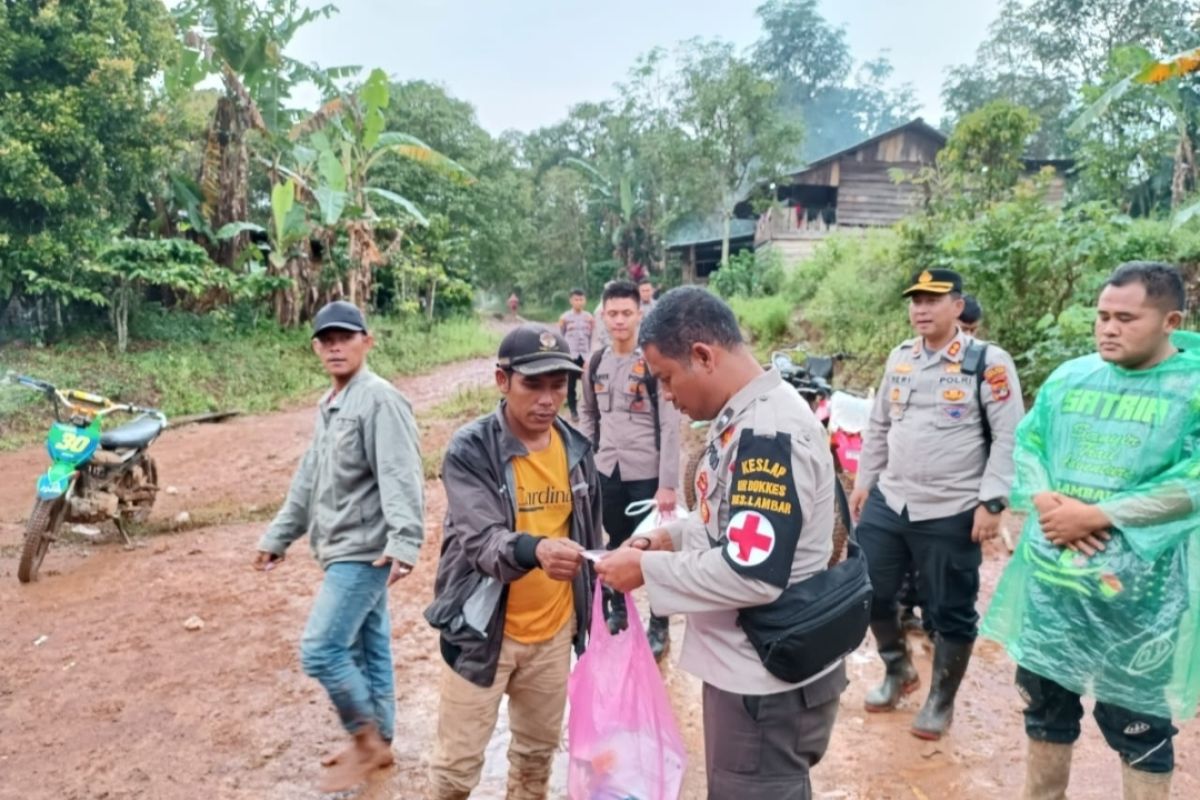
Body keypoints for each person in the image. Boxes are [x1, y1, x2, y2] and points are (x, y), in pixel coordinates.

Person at [596, 287, 846, 799]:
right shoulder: (745, 420)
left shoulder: (767, 436)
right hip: (753, 671)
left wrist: (647, 572)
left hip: (765, 687)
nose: (666, 394)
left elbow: (751, 570)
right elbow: (730, 525)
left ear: (704, 356)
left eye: (667, 378)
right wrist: (666, 539)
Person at [982, 262, 1200, 800]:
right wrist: (1042, 497)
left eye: (1126, 318)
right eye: (1102, 315)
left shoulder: (1191, 390)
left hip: (1140, 602)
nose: (1108, 328)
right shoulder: (1070, 377)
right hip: (1055, 589)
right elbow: (1031, 444)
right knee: (1045, 713)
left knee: (1140, 728)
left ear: (1170, 319)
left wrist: (1100, 515)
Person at [424, 324, 603, 800]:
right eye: (533, 384)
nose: (548, 399)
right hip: (483, 632)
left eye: (558, 386)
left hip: (552, 634)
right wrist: (537, 550)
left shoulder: (577, 450)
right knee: (455, 772)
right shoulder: (471, 449)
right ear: (502, 381)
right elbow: (482, 540)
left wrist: (604, 602)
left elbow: (591, 534)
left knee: (535, 759)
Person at [255, 301, 425, 793]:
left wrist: (405, 541)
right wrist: (279, 536)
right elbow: (308, 480)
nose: (335, 346)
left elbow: (400, 474)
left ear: (366, 342)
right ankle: (380, 743)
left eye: (345, 337)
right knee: (366, 647)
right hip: (338, 546)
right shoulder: (329, 405)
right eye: (326, 339)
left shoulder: (380, 400)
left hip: (366, 550)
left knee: (321, 648)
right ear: (315, 347)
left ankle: (365, 739)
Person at [849, 268, 1024, 740]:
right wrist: (865, 480)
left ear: (958, 306)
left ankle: (940, 700)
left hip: (953, 506)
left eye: (933, 299)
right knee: (870, 592)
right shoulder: (900, 358)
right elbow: (880, 425)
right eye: (915, 300)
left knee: (950, 611)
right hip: (893, 500)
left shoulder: (988, 362)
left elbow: (1010, 435)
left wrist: (993, 501)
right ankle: (897, 670)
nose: (921, 309)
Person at [579, 280, 681, 659]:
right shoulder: (596, 363)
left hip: (648, 475)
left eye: (626, 313)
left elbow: (671, 425)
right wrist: (587, 460)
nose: (619, 321)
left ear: (640, 314)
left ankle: (660, 625)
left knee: (654, 553)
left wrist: (667, 483)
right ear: (602, 317)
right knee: (612, 543)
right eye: (612, 314)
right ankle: (618, 609)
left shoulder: (654, 363)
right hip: (608, 470)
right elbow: (588, 413)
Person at [898, 291, 989, 631]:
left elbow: (1000, 437)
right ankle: (906, 610)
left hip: (957, 496)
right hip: (909, 493)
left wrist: (991, 501)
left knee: (949, 578)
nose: (966, 334)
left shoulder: (982, 367)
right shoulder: (910, 361)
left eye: (972, 329)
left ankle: (941, 628)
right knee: (907, 561)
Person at [558, 288, 594, 423]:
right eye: (575, 299)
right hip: (571, 355)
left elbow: (593, 337)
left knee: (588, 383)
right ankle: (573, 410)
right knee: (570, 384)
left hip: (585, 356)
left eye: (581, 299)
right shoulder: (564, 318)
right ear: (571, 301)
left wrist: (591, 356)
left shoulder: (589, 318)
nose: (578, 302)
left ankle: (588, 409)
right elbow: (560, 336)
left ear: (585, 301)